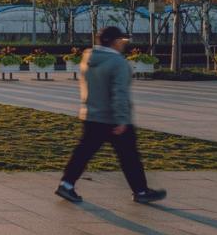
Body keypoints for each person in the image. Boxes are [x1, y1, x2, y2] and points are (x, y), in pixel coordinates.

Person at [56, 26, 166, 205]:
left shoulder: (88, 57)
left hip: (91, 114)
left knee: (83, 152)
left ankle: (66, 184)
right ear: (115, 41)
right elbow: (119, 93)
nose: (123, 43)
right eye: (122, 40)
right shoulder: (118, 62)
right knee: (129, 156)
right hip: (112, 118)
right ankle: (141, 191)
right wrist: (122, 119)